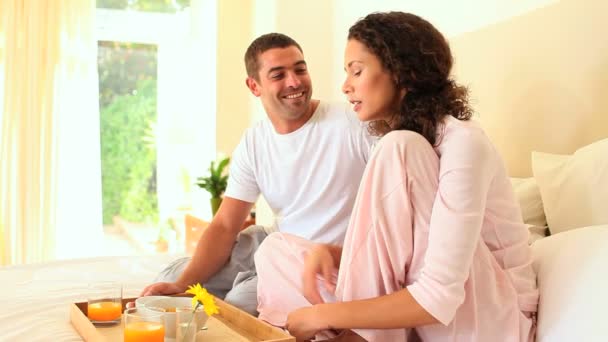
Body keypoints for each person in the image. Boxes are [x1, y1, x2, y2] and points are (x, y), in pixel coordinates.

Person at [254, 12, 539, 341]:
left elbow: (439, 295)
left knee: (400, 147)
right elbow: (411, 252)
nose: (346, 86)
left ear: (403, 73)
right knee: (275, 250)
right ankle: (342, 330)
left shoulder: (462, 142)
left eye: (357, 71)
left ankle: (350, 335)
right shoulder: (415, 145)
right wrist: (335, 254)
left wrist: (322, 314)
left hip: (498, 321)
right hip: (443, 308)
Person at [140, 33, 375, 315]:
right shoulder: (254, 141)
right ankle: (238, 284)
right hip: (272, 243)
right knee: (172, 277)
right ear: (254, 86)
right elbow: (226, 225)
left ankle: (244, 289)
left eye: (300, 69)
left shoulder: (352, 123)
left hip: (316, 259)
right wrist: (183, 283)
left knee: (241, 304)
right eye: (278, 74)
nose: (294, 81)